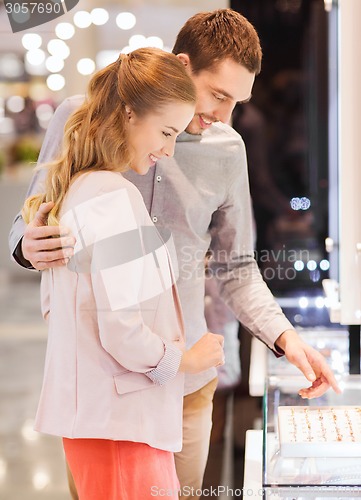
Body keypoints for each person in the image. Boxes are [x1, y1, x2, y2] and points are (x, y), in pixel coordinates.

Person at [10, 9, 340, 500]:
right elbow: (32, 215)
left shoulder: (227, 148)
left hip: (186, 386)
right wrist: (26, 245)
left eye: (238, 101)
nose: (225, 115)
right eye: (219, 95)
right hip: (101, 388)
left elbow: (236, 265)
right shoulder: (83, 116)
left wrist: (285, 338)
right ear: (183, 66)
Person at [20, 48, 225, 500]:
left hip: (108, 424)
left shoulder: (82, 188)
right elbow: (122, 329)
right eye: (166, 132)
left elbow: (63, 310)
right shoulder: (110, 196)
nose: (169, 150)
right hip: (121, 429)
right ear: (130, 114)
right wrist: (185, 361)